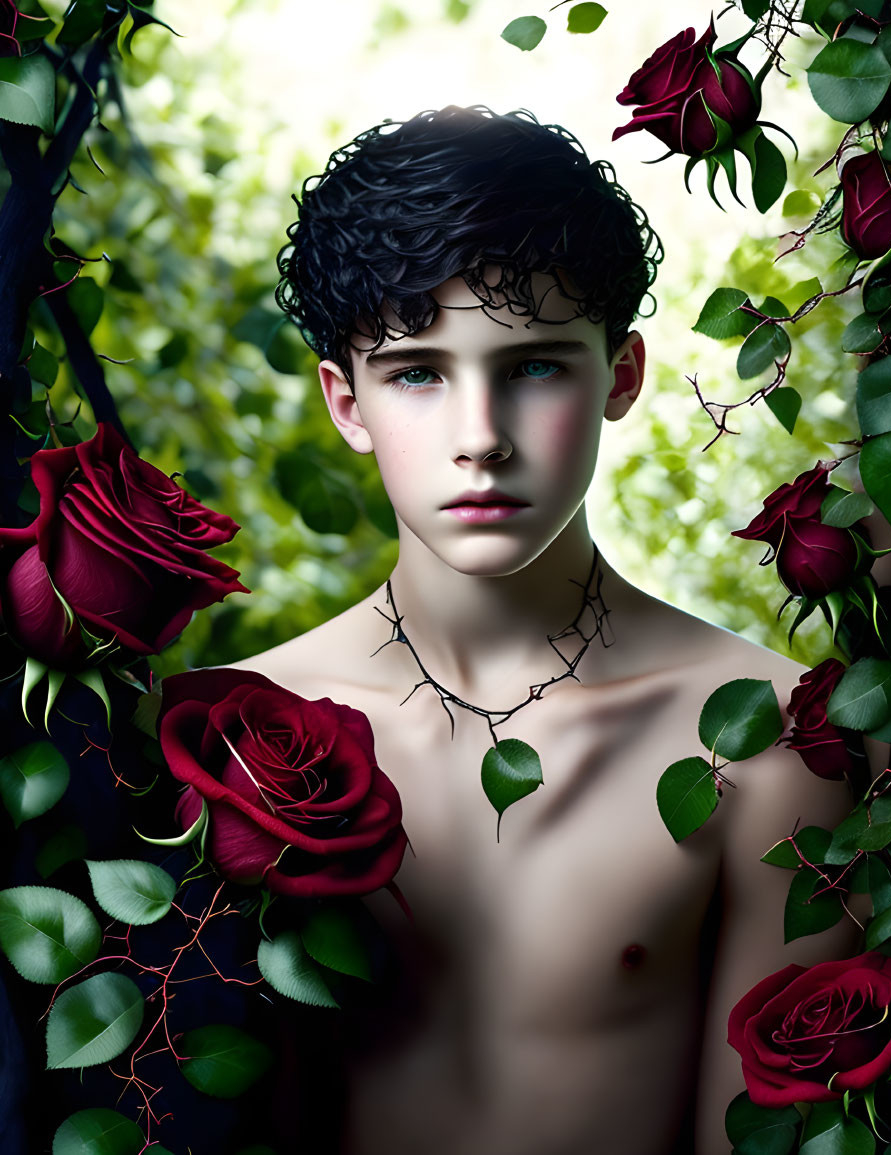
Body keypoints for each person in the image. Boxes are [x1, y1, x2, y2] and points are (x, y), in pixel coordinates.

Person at [238, 105, 853, 1155]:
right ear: (346, 404)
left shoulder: (764, 747)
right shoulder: (223, 739)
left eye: (531, 367)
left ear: (619, 376)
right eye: (418, 372)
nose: (479, 441)